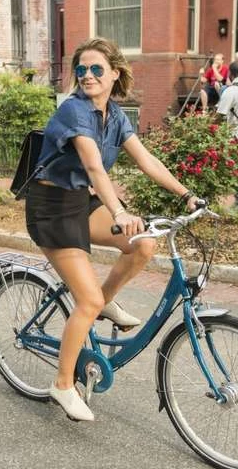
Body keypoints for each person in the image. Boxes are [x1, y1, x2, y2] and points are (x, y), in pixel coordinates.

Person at [26, 37, 201, 422]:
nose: (87, 75)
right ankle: (62, 385)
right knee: (86, 301)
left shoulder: (116, 115)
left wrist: (186, 194)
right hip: (51, 209)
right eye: (81, 69)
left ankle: (102, 301)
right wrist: (119, 211)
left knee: (143, 245)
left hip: (80, 202)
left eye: (96, 69)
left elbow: (147, 160)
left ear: (115, 73)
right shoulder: (74, 110)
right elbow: (93, 166)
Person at [216, 61, 238, 209]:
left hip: (236, 136)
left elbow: (219, 115)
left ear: (230, 73)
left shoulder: (231, 91)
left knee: (236, 169)